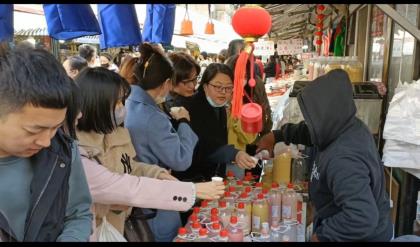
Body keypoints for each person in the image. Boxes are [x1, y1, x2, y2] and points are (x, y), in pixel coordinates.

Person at [72, 67, 224, 240]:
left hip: (118, 227)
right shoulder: (76, 150)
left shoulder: (117, 134)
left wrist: (157, 173)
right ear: (95, 103)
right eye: (117, 103)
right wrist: (190, 190)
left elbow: (130, 167)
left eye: (123, 101)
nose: (122, 108)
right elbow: (127, 187)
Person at [256, 69, 393, 242]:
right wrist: (277, 136)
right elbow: (311, 132)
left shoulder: (344, 159)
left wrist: (322, 236)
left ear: (326, 115)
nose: (310, 123)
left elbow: (361, 217)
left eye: (313, 118)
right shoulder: (344, 124)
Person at [0, 47, 92, 241]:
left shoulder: (62, 151)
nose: (45, 141)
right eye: (33, 130)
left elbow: (78, 214)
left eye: (56, 127)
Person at [125, 43, 198, 242]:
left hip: (135, 193)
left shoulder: (129, 101)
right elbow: (181, 159)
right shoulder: (151, 117)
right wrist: (184, 121)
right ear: (166, 82)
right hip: (156, 199)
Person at [172, 63, 257, 183]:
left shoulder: (220, 106)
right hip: (190, 179)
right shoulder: (189, 107)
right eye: (218, 86)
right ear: (205, 86)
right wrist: (234, 154)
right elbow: (202, 145)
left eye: (228, 88)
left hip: (212, 176)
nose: (223, 92)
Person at [161, 52, 200, 128]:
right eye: (185, 82)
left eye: (195, 79)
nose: (192, 86)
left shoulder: (198, 97)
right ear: (170, 81)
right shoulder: (166, 108)